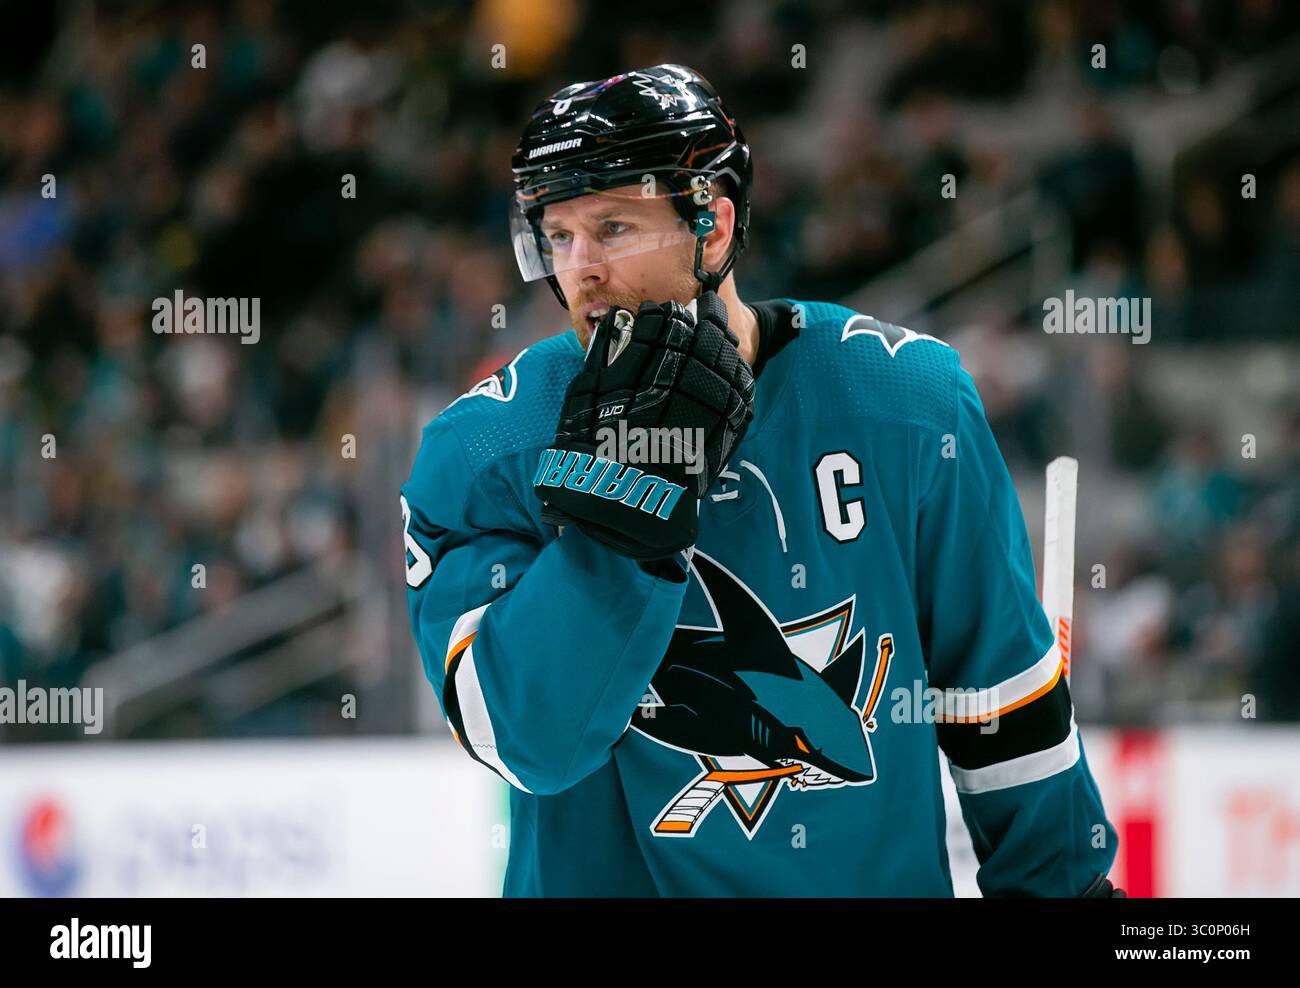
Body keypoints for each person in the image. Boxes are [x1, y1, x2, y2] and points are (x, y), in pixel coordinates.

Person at [402, 64, 1121, 896]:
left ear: (712, 227)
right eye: (559, 237)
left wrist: (1065, 888)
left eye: (613, 227)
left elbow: (999, 710)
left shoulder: (908, 405)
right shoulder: (490, 447)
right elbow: (528, 744)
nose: (581, 271)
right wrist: (614, 533)